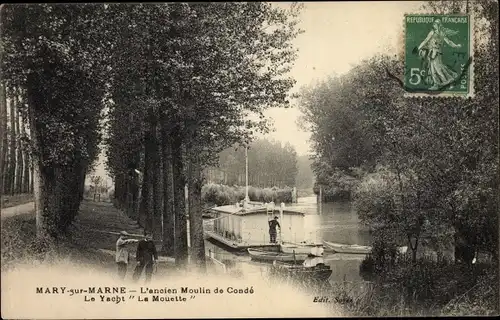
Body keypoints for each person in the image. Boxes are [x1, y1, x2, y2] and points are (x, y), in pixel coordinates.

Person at [417, 19, 462, 90]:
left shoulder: (442, 34)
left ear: (438, 25)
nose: (434, 25)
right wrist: (419, 48)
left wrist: (456, 46)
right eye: (434, 24)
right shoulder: (432, 32)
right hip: (431, 53)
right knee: (434, 69)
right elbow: (426, 40)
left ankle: (448, 81)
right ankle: (437, 84)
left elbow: (449, 42)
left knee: (438, 69)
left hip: (436, 53)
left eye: (435, 24)